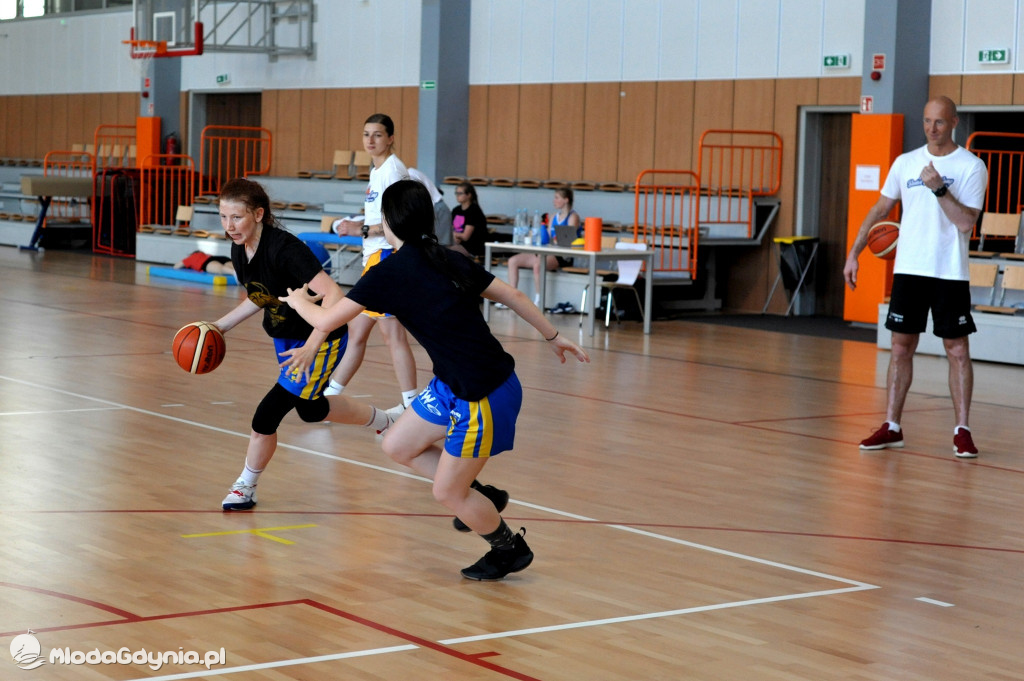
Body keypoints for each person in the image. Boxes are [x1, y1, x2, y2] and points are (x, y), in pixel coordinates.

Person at [280, 180, 590, 580]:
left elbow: (324, 320)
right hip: (455, 383)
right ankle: (481, 494)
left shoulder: (390, 271)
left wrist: (299, 301)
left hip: (484, 394)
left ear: (388, 221)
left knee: (446, 492)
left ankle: (509, 548)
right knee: (396, 443)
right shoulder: (445, 256)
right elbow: (513, 294)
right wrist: (553, 335)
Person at [210, 178, 397, 511]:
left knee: (265, 416)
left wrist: (313, 345)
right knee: (312, 410)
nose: (229, 226)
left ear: (257, 214)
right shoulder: (239, 248)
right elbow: (261, 296)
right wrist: (221, 326)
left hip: (319, 339)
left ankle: (245, 487)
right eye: (223, 217)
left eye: (236, 218)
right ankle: (385, 422)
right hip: (285, 337)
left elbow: (335, 294)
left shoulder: (286, 249)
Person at [844, 96, 988, 459]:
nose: (931, 128)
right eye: (926, 121)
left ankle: (962, 431)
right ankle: (892, 426)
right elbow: (879, 209)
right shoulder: (905, 162)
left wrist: (940, 188)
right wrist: (854, 253)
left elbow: (966, 222)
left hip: (948, 272)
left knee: (957, 350)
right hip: (909, 270)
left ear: (953, 121)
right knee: (899, 348)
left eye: (939, 122)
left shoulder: (972, 166)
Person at [326, 114, 419, 411]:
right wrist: (357, 222)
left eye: (377, 135)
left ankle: (411, 404)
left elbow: (400, 222)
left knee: (392, 334)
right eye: (366, 134)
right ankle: (329, 397)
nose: (370, 140)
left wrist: (362, 229)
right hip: (374, 258)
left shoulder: (392, 171)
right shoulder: (377, 170)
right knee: (357, 331)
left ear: (390, 138)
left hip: (386, 258)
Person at [504, 187, 581, 306]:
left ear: (566, 200)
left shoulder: (573, 217)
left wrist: (554, 241)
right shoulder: (554, 217)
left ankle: (538, 299)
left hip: (563, 255)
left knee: (538, 265)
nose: (554, 201)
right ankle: (511, 298)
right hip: (548, 252)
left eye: (557, 198)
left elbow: (568, 239)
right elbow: (547, 238)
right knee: (513, 261)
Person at [407, 167, 453, 246]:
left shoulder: (410, 174)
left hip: (437, 208)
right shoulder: (408, 174)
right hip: (432, 209)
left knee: (440, 247)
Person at [449, 181, 489, 258]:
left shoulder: (474, 211)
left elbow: (465, 236)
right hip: (458, 242)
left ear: (469, 195)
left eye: (460, 193)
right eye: (456, 193)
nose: (457, 196)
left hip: (472, 246)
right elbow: (451, 229)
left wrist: (455, 235)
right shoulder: (456, 210)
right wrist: (455, 237)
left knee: (446, 252)